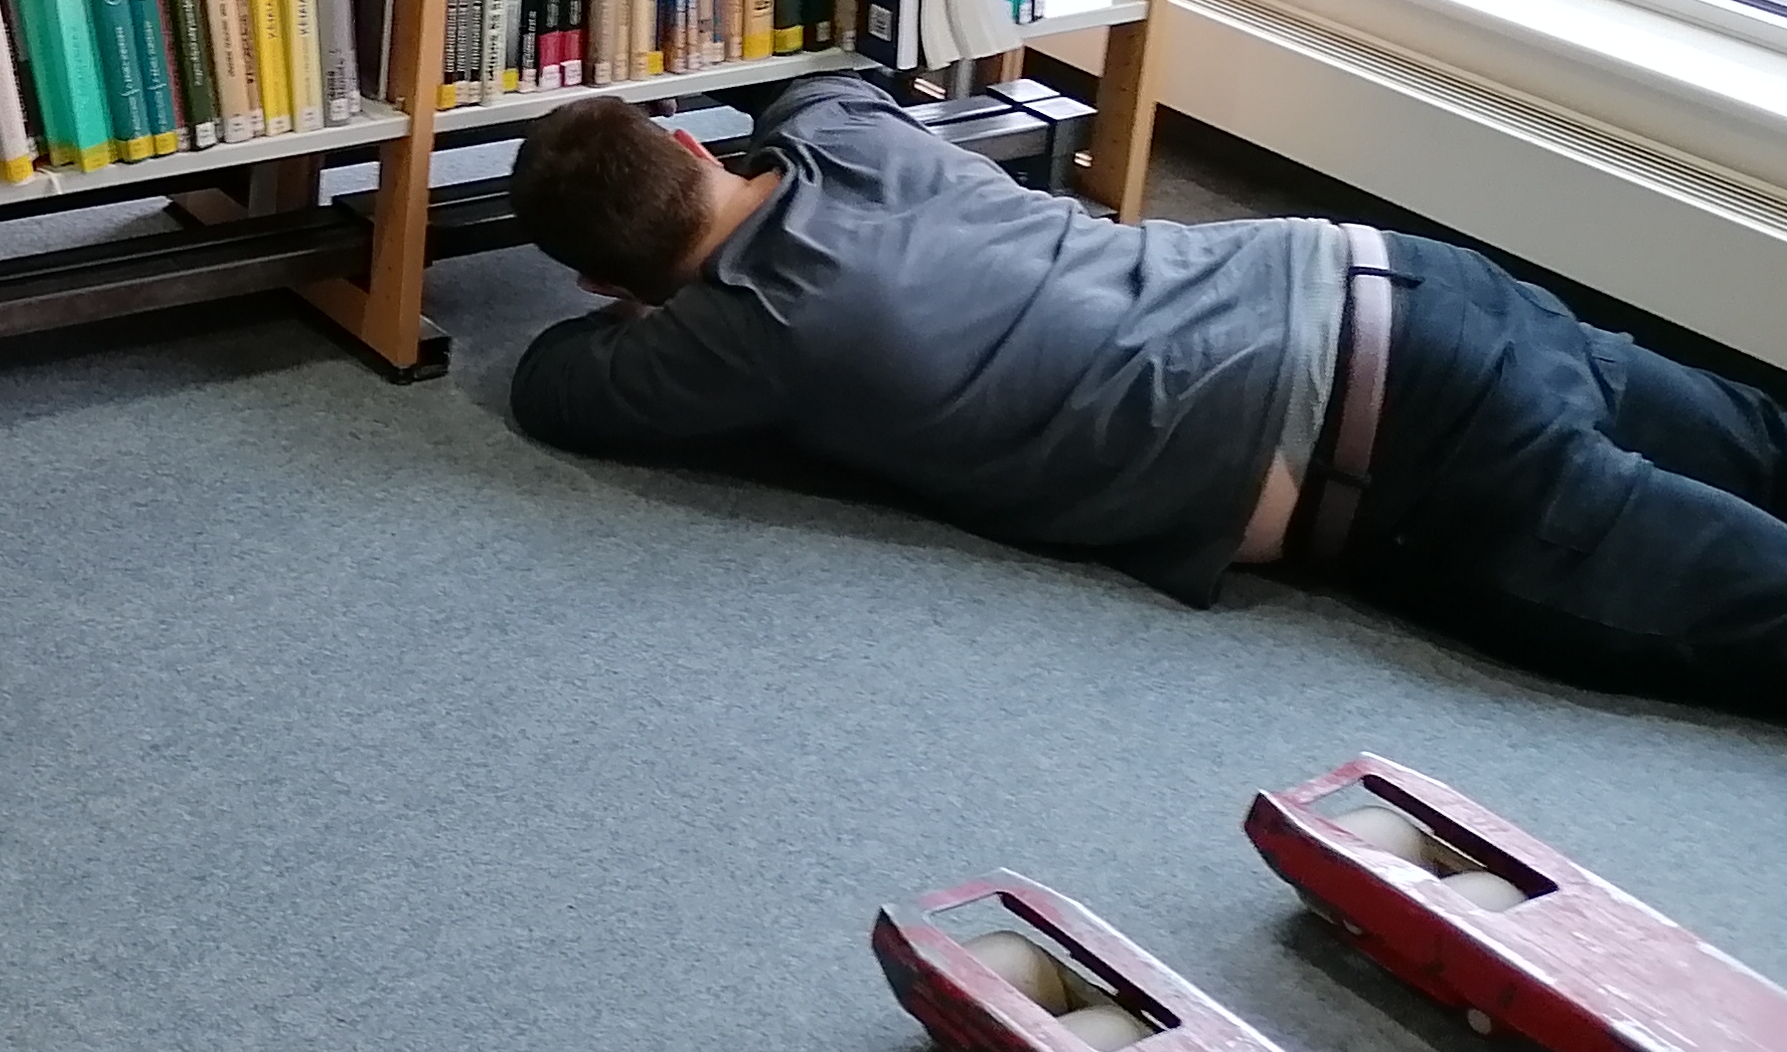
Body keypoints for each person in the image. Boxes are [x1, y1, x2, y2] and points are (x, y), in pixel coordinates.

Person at [505, 76, 1787, 718]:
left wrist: (647, 310)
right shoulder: (850, 142)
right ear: (691, 143)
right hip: (1399, 277)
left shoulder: (728, 341)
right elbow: (825, 87)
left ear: (598, 279)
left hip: (1410, 449)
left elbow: (550, 386)